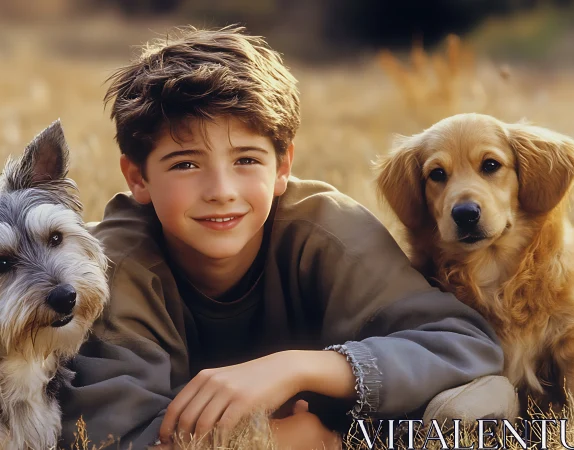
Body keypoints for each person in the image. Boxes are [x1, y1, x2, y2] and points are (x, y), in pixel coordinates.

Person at [59, 26, 515, 449]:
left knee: (466, 400)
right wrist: (274, 440)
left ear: (283, 167)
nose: (221, 192)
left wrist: (298, 367)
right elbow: (104, 432)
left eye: (246, 160)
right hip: (235, 432)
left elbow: (466, 343)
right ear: (137, 177)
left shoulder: (325, 227)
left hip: (337, 413)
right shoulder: (109, 264)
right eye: (186, 164)